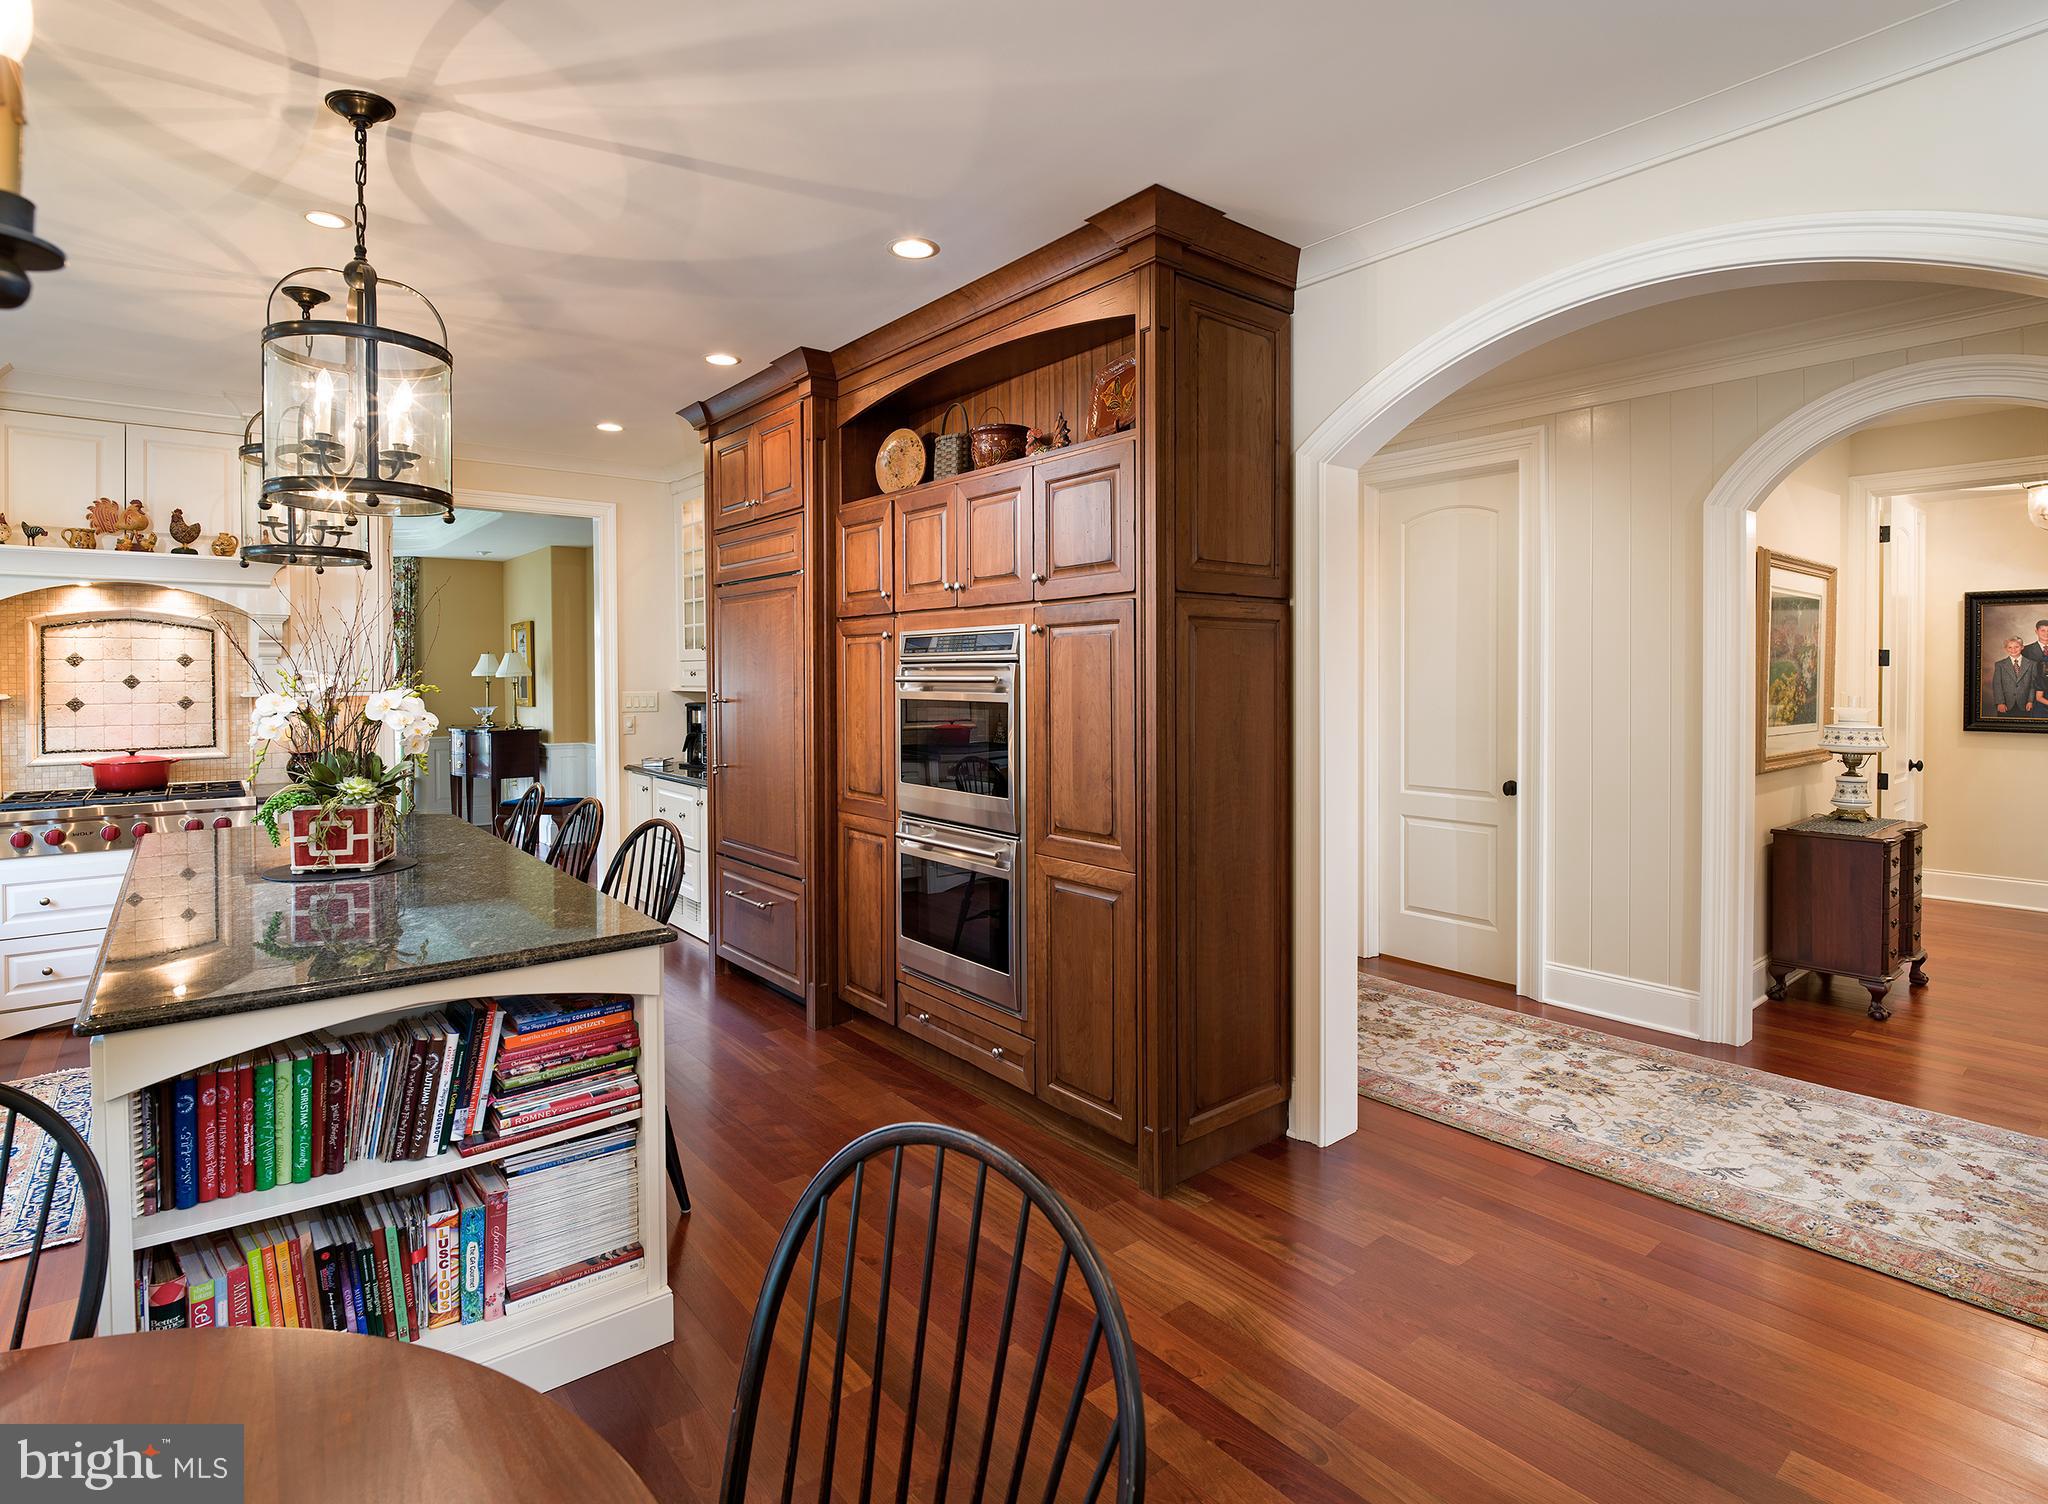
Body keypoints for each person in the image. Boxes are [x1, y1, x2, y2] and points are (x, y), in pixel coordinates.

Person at [1992, 636, 2040, 717]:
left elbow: (2033, 685)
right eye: (2010, 647)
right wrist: (2000, 702)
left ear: (2022, 647)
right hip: (2005, 704)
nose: (2013, 650)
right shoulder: (2000, 665)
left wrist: (2030, 701)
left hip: (2025, 704)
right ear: (2006, 649)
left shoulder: (2032, 664)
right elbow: (1997, 685)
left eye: (2016, 647)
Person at [2024, 619, 2048, 715]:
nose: (2046, 633)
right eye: (2043, 630)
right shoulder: (2026, 650)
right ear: (2036, 631)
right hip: (2032, 695)